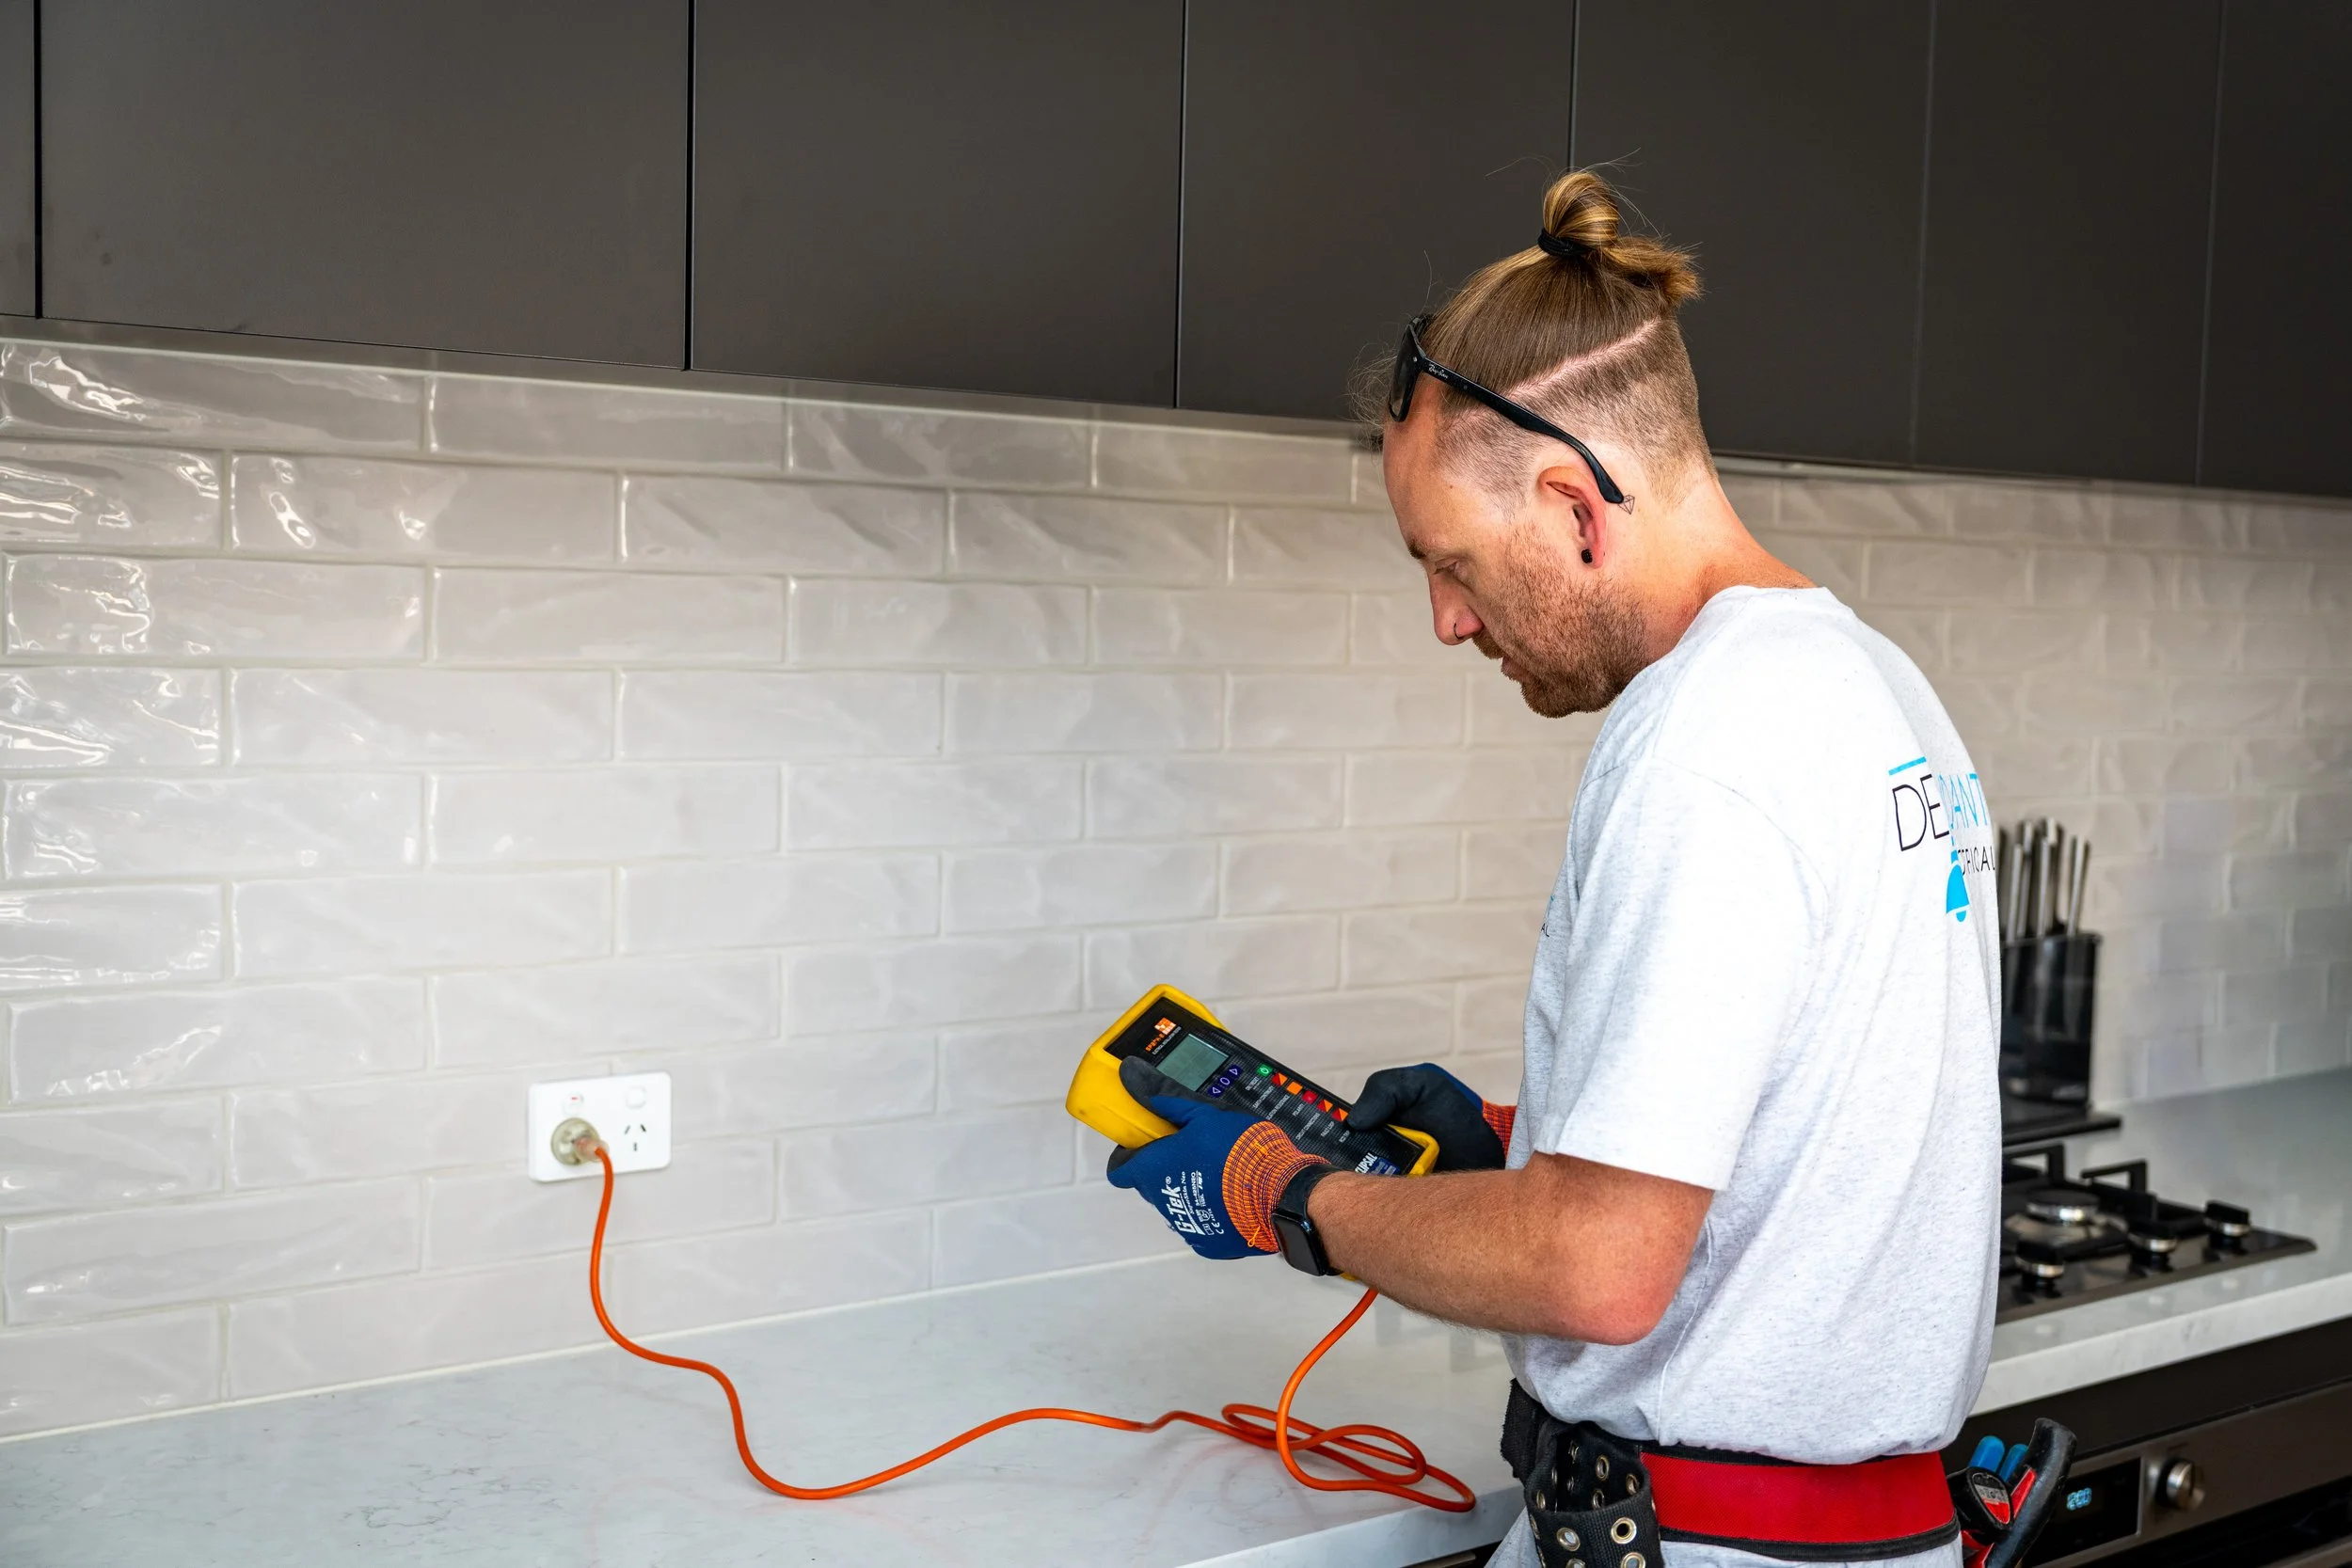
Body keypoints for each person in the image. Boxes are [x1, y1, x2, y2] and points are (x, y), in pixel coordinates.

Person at [1104, 167, 2001, 1568]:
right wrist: (1523, 1140)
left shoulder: (1698, 744)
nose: (1447, 622)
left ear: (1578, 507)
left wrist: (1295, 1195)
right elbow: (1806, 1110)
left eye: (1449, 561)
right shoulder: (1877, 689)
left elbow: (1600, 1269)